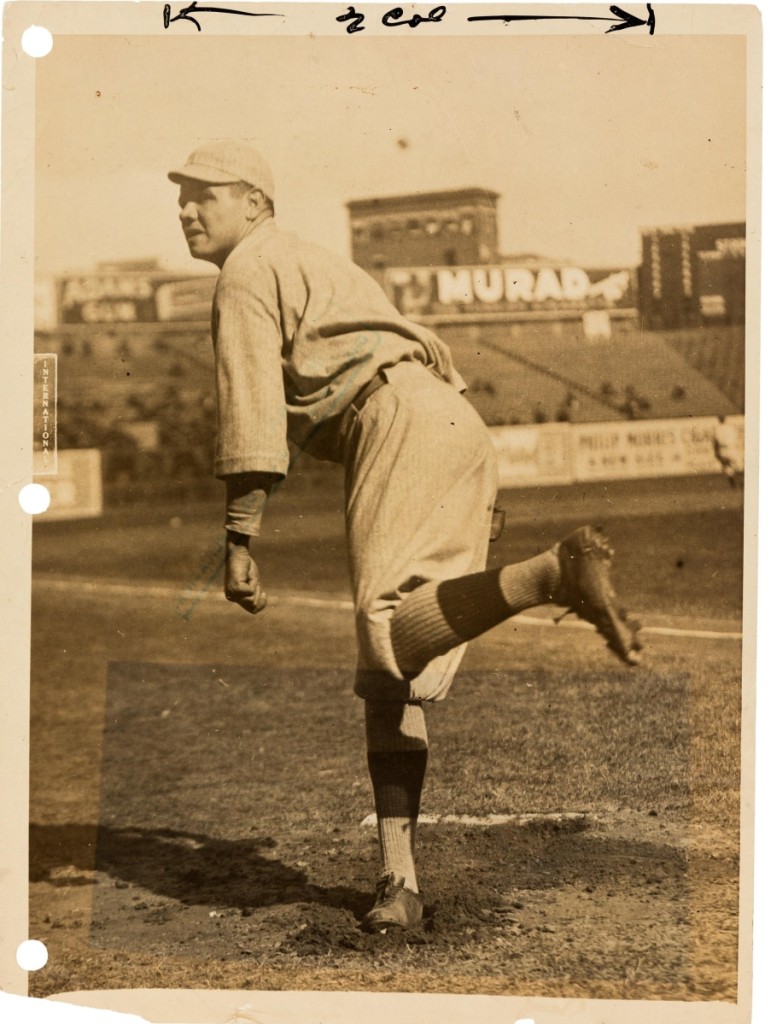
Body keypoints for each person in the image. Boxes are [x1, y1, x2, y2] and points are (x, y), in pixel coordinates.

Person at [168, 142, 642, 933]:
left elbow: (250, 412)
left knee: (387, 632)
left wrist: (239, 535)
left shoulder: (248, 270)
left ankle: (552, 574)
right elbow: (432, 357)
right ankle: (399, 881)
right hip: (447, 416)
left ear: (254, 202)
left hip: (394, 423)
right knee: (387, 669)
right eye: (180, 196)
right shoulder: (320, 262)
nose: (186, 208)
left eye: (203, 195)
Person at [713, 415, 743, 488]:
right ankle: (742, 482)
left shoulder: (717, 429)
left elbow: (715, 442)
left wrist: (716, 452)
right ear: (725, 419)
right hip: (731, 448)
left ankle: (733, 483)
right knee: (739, 465)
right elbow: (736, 438)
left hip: (722, 449)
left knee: (727, 467)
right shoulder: (730, 427)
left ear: (719, 420)